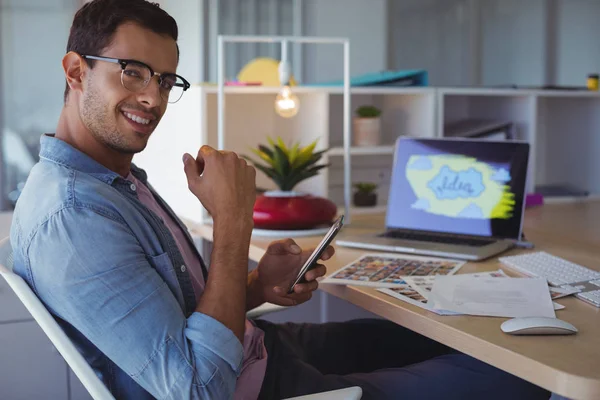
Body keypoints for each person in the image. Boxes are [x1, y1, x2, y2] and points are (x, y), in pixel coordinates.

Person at [10, 1, 550, 399]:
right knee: (519, 375)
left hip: (258, 348)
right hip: (257, 386)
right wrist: (233, 221)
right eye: (131, 72)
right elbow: (199, 388)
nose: (153, 97)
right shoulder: (73, 217)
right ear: (76, 71)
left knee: (433, 337)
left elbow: (174, 316)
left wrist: (255, 287)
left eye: (166, 78)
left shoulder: (112, 181)